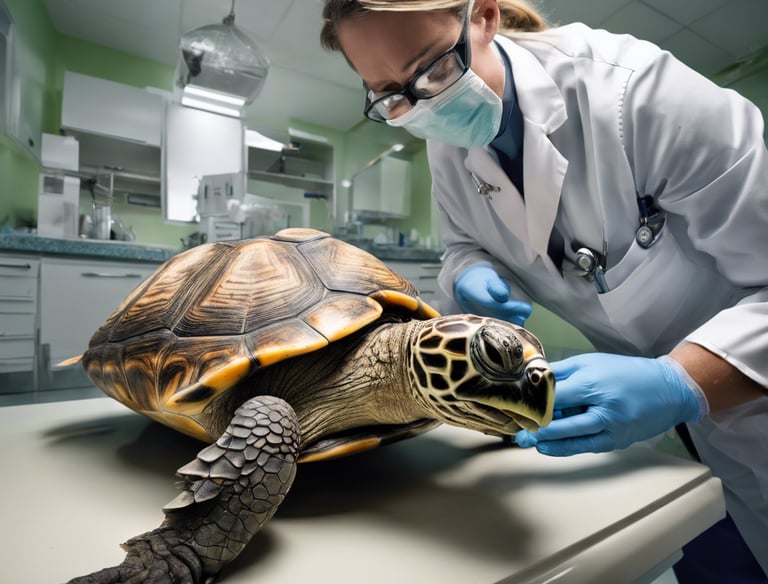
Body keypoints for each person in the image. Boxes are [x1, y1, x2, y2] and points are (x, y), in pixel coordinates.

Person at [320, 0, 768, 580]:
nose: (422, 105)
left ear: (481, 16)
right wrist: (467, 274)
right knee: (700, 534)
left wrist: (679, 380)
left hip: (751, 391)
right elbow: (462, 242)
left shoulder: (639, 94)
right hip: (664, 419)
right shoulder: (444, 141)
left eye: (432, 69)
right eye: (390, 95)